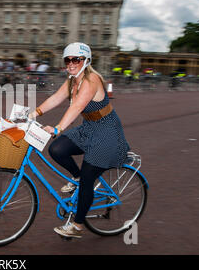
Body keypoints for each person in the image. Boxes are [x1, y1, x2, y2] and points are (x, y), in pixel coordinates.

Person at [29, 42, 130, 239]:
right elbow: (56, 98)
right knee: (57, 149)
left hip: (107, 132)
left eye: (76, 59)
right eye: (68, 60)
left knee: (87, 179)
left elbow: (76, 107)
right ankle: (76, 178)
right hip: (89, 128)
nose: (71, 63)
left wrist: (58, 128)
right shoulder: (71, 80)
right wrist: (34, 113)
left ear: (86, 61)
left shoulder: (91, 80)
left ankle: (77, 225)